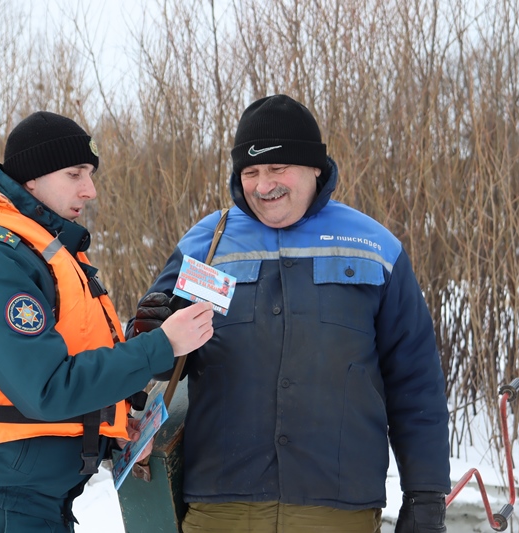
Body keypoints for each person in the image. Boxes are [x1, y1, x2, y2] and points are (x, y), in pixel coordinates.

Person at [127, 95, 450, 533]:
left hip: (337, 509)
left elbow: (415, 381)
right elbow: (159, 360)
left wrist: (426, 494)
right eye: (251, 172)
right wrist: (149, 333)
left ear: (315, 167)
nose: (263, 186)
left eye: (278, 169)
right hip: (221, 507)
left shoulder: (376, 248)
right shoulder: (208, 245)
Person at [0, 111, 214, 532]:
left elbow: (72, 361)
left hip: (35, 508)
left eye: (90, 174)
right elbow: (46, 389)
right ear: (31, 179)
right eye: (74, 174)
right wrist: (160, 346)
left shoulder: (43, 251)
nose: (90, 190)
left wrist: (114, 421)